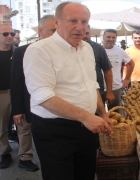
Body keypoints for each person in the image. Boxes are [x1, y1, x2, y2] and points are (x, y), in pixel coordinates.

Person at [23, 2, 113, 179]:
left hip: (87, 129)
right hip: (56, 131)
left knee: (86, 175)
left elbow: (92, 84)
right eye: (73, 20)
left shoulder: (86, 48)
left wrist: (102, 113)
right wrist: (87, 117)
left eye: (84, 22)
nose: (80, 27)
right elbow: (43, 96)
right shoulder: (39, 50)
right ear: (57, 23)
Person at [10, 14, 56, 171]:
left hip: (55, 107)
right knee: (25, 131)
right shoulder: (22, 51)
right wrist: (17, 110)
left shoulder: (62, 51)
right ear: (40, 30)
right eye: (52, 30)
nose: (56, 34)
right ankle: (25, 158)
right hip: (29, 103)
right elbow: (16, 82)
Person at [102, 29, 134, 109]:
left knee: (115, 113)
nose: (111, 39)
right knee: (99, 113)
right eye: (108, 37)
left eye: (113, 37)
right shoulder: (97, 50)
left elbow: (131, 63)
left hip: (115, 87)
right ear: (103, 37)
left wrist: (127, 79)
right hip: (99, 87)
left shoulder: (119, 51)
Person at [83, 25, 114, 105]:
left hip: (98, 92)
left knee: (99, 116)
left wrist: (109, 92)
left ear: (90, 34)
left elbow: (107, 70)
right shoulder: (70, 47)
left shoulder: (98, 48)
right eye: (81, 33)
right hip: (79, 93)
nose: (84, 36)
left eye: (87, 33)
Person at [0, 25, 16, 169]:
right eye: (5, 33)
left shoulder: (18, 52)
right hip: (2, 94)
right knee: (1, 126)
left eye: (12, 33)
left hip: (18, 93)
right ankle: (4, 153)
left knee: (24, 126)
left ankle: (26, 156)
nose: (9, 36)